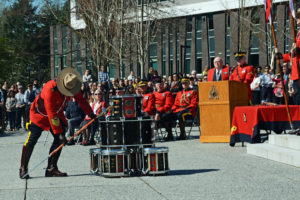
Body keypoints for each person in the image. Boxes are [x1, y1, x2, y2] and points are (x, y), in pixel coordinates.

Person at [19, 67, 94, 179]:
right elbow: (51, 112)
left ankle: (51, 168)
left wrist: (91, 114)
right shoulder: (50, 88)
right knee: (33, 138)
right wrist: (59, 132)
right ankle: (23, 167)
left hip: (56, 113)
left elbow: (81, 100)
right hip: (39, 115)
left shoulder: (73, 84)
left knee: (59, 140)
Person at [282, 9, 300, 105]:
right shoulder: (298, 33)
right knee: (297, 96)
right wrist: (283, 57)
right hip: (296, 70)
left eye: (299, 16)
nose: (296, 18)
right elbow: (294, 54)